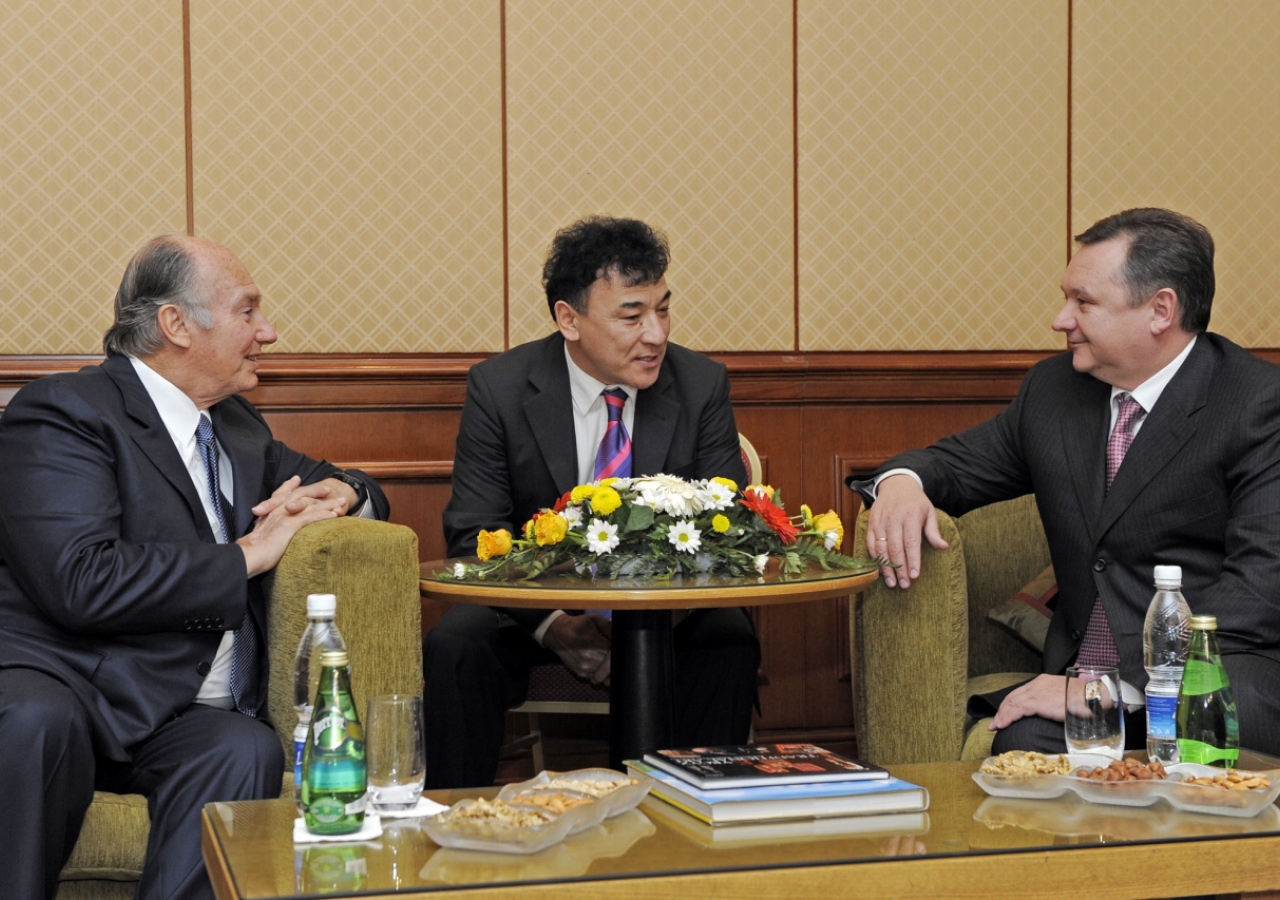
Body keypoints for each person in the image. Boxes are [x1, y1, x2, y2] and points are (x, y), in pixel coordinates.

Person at [0, 234, 390, 900]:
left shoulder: (235, 427)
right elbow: (81, 582)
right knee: (37, 723)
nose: (267, 332)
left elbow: (325, 478)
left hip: (170, 707)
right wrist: (245, 556)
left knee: (244, 747)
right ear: (175, 325)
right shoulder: (64, 414)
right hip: (69, 681)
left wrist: (350, 489)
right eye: (247, 311)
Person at [856, 208, 1280, 755]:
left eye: (1084, 302)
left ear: (1160, 310)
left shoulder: (1255, 404)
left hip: (1217, 678)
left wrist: (1111, 690)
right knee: (1024, 739)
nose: (1061, 319)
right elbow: (957, 466)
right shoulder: (1055, 391)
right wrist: (901, 483)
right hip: (1080, 672)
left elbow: (1258, 590)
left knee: (1206, 718)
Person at [424, 216, 761, 788]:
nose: (655, 334)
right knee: (457, 644)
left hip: (670, 611)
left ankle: (701, 828)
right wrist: (555, 625)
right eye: (632, 316)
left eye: (662, 309)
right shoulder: (500, 389)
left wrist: (644, 625)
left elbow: (728, 532)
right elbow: (473, 532)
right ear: (568, 319)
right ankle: (460, 828)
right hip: (535, 610)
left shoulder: (701, 383)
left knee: (728, 636)